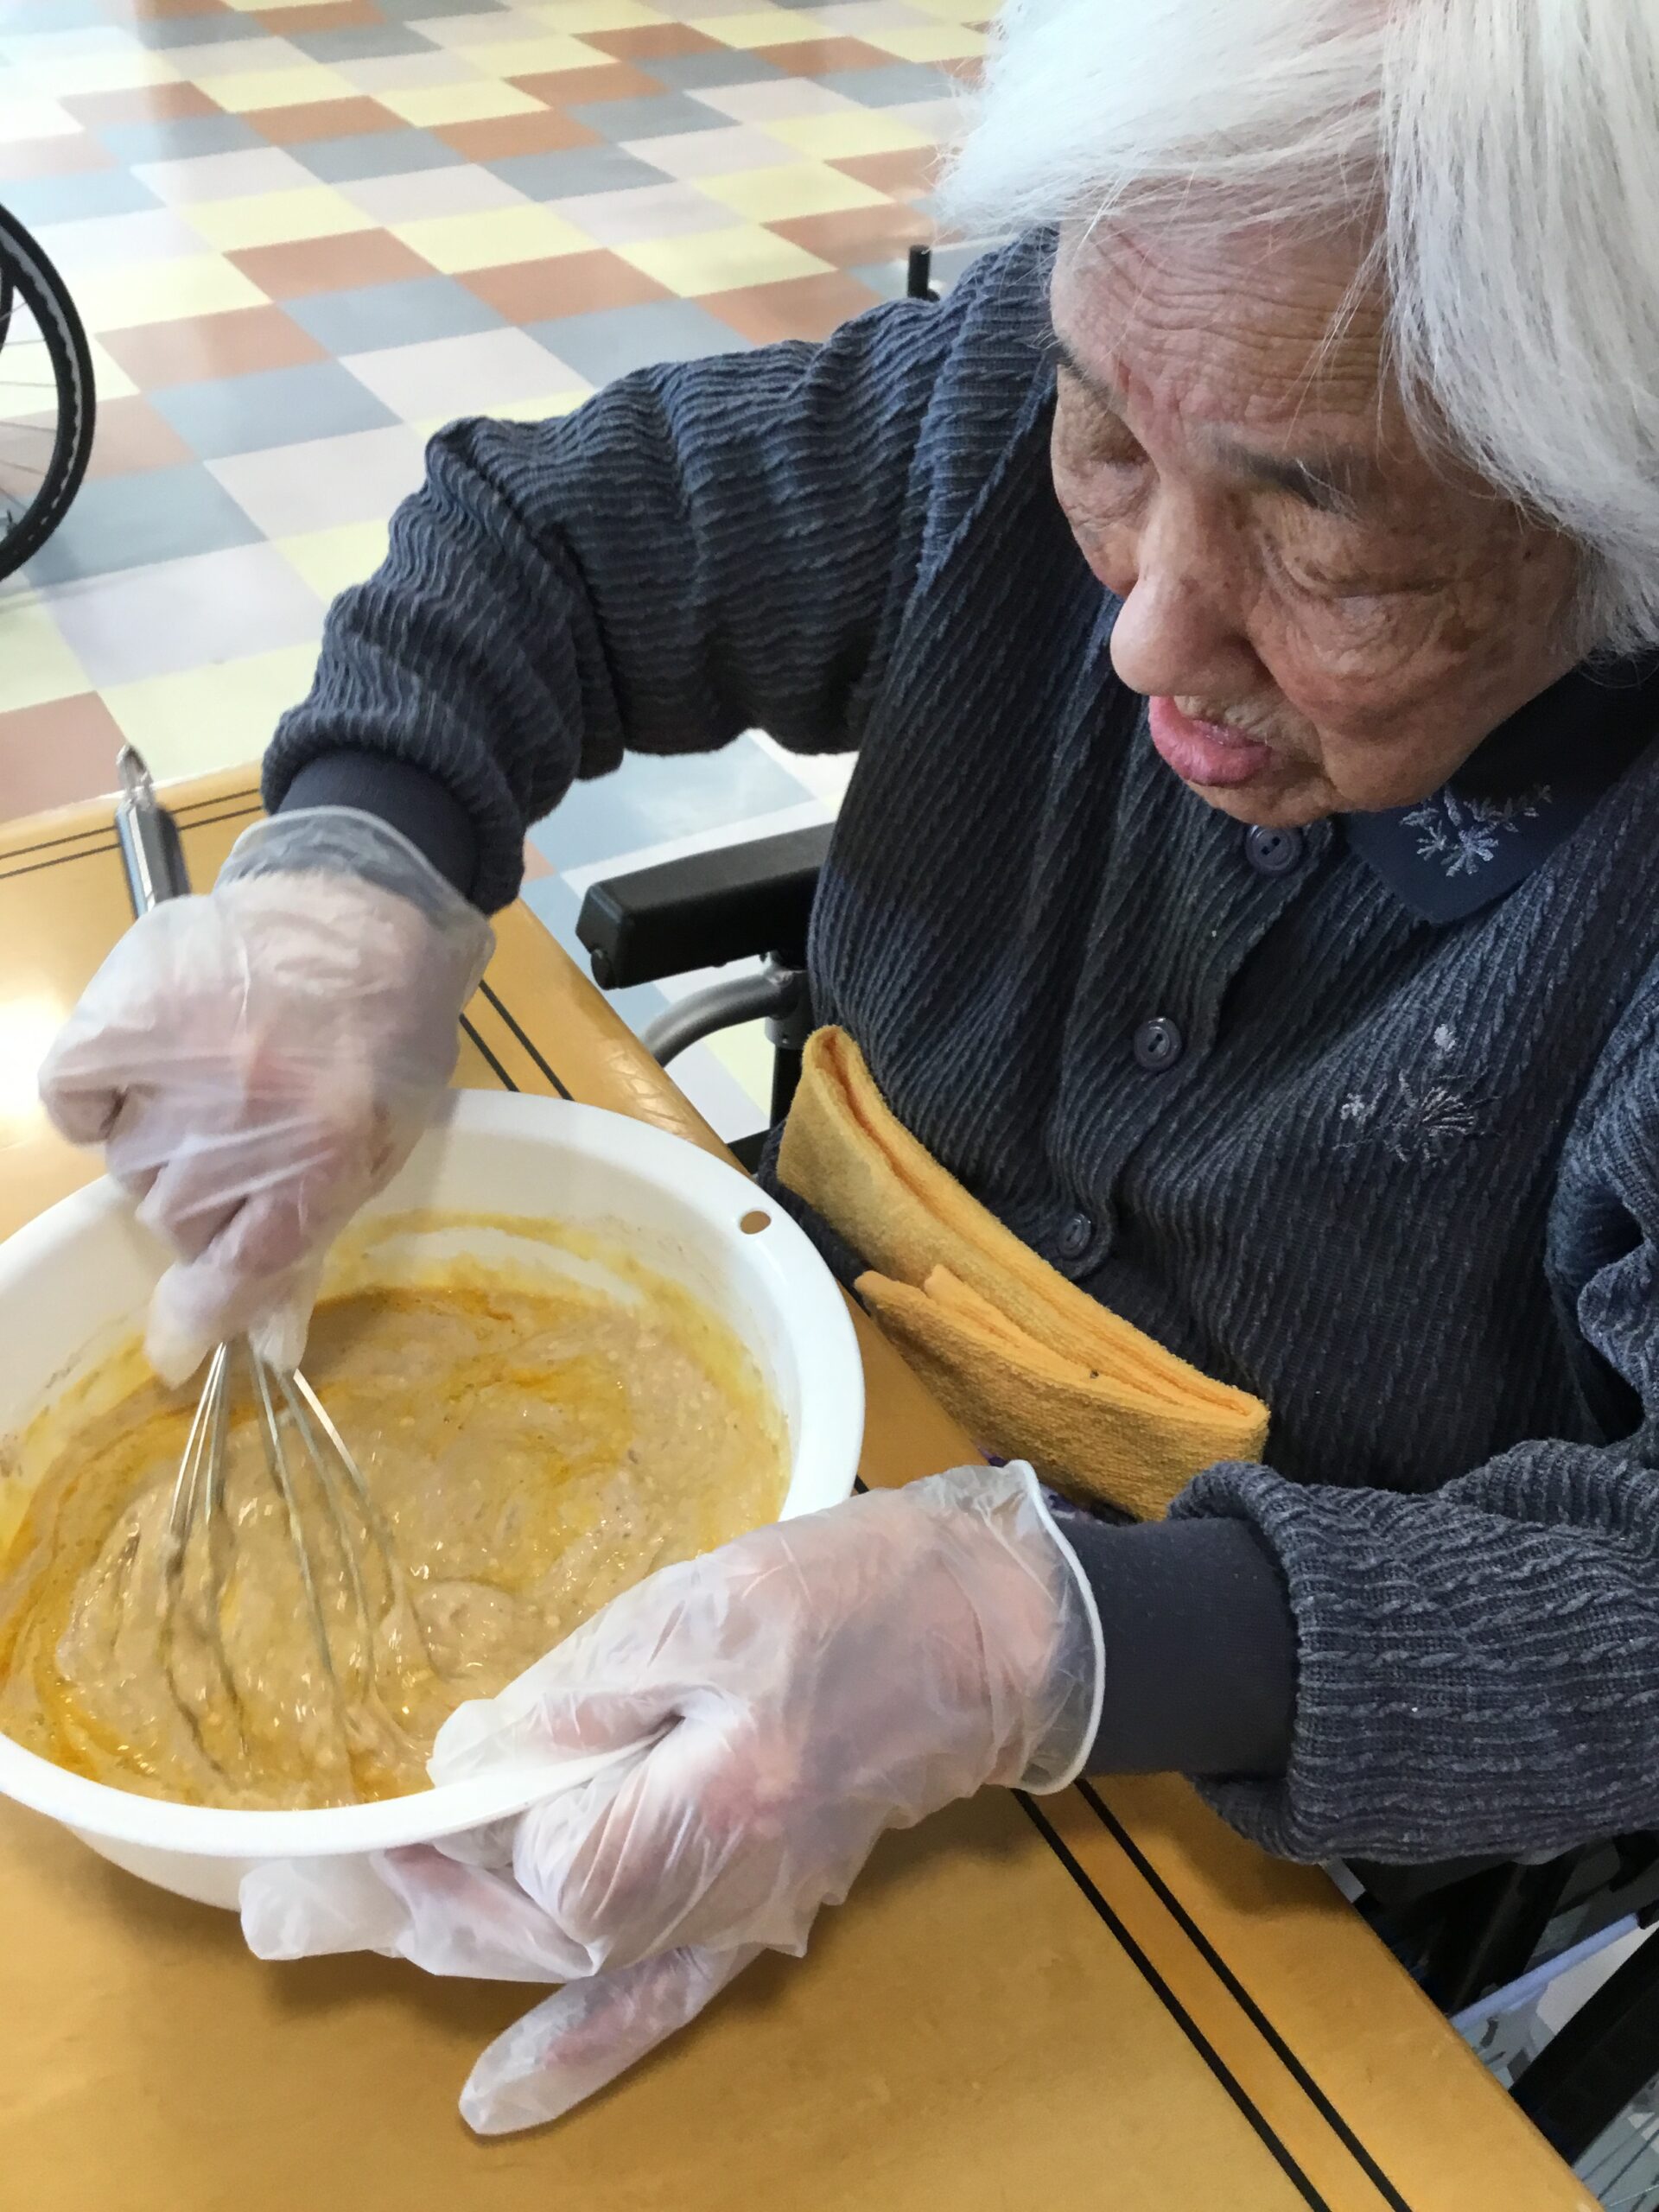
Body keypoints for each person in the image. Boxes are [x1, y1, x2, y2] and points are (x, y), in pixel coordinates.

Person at [38, 0, 1659, 2135]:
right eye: (1105, 447)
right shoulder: (1032, 379)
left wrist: (1040, 1644)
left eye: (1324, 545)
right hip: (807, 1456)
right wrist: (354, 869)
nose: (1149, 639)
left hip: (1246, 1802)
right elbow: (552, 541)